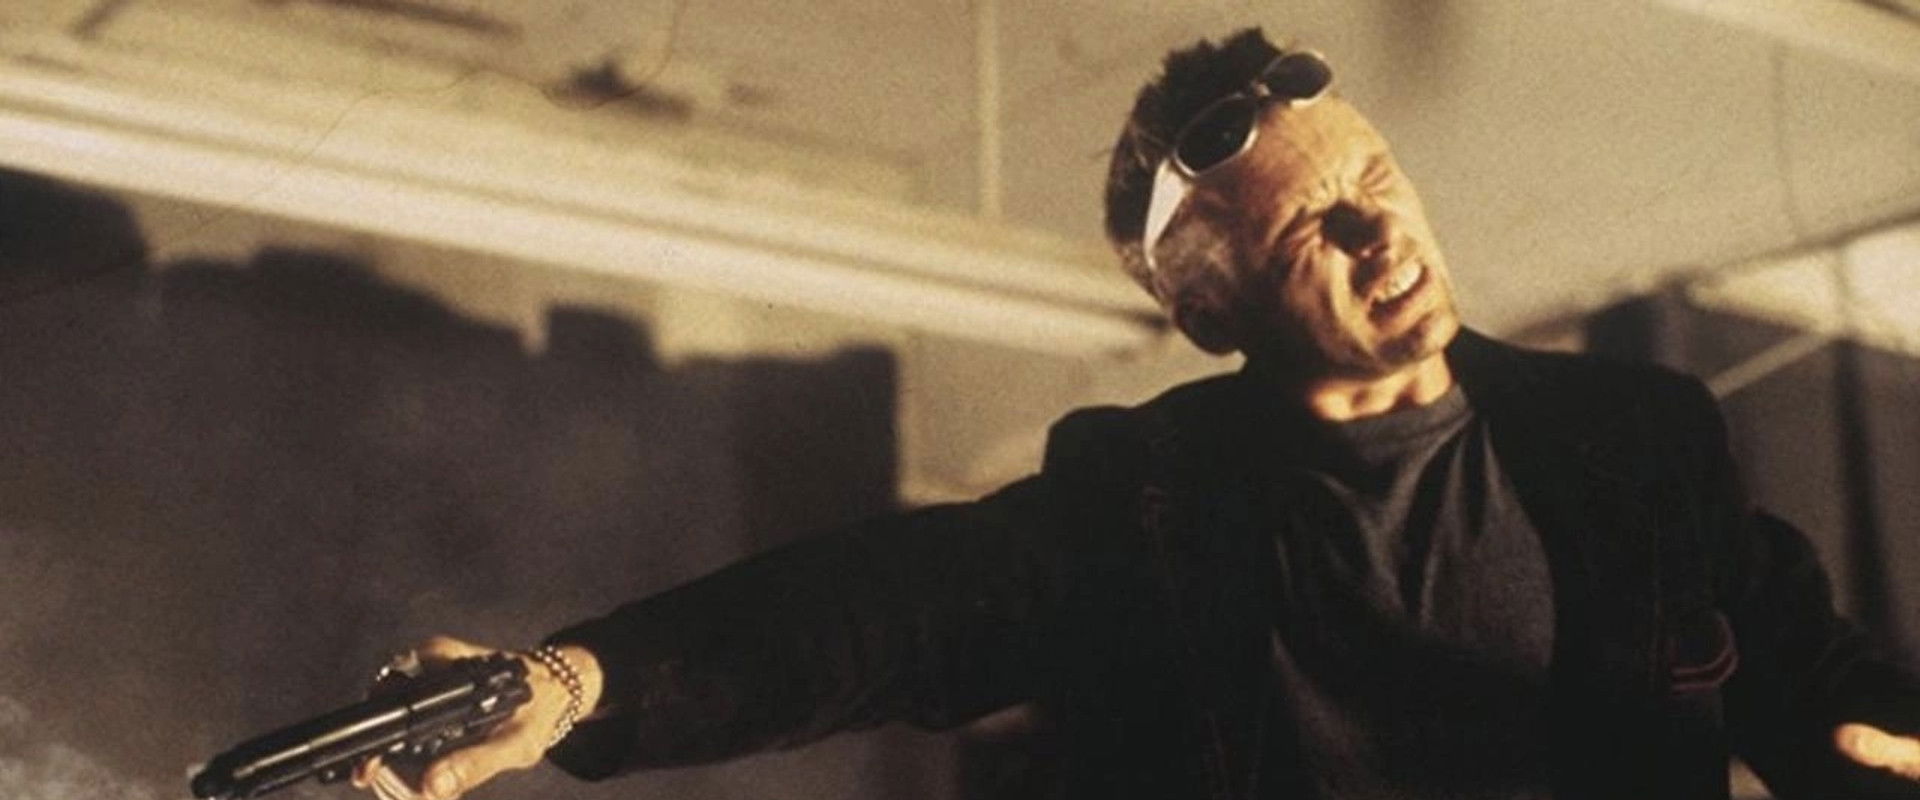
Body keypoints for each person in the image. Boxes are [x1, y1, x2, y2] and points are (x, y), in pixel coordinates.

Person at [352, 29, 1920, 800]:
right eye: (1311, 231)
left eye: (1378, 180)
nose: (1382, 233)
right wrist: (580, 681)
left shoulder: (1636, 437)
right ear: (1210, 313)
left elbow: (1811, 683)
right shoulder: (1148, 497)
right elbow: (885, 611)